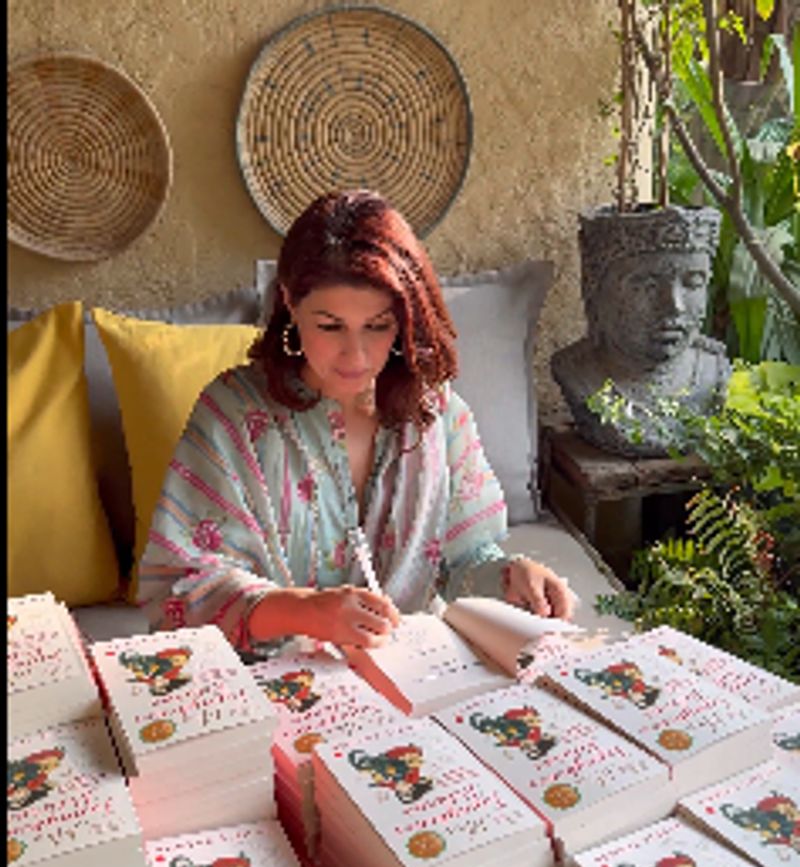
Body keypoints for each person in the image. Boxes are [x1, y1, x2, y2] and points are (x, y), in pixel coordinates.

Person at [138, 189, 575, 659]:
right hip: (265, 682)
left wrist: (511, 576)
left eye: (378, 326)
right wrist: (300, 611)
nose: (356, 356)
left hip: (411, 674)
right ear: (290, 302)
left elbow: (466, 559)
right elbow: (178, 591)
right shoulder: (232, 416)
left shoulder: (437, 414)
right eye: (330, 326)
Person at [551, 205, 730, 458]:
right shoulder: (576, 371)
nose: (674, 306)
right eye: (647, 285)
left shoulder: (713, 371)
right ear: (594, 288)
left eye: (692, 283)